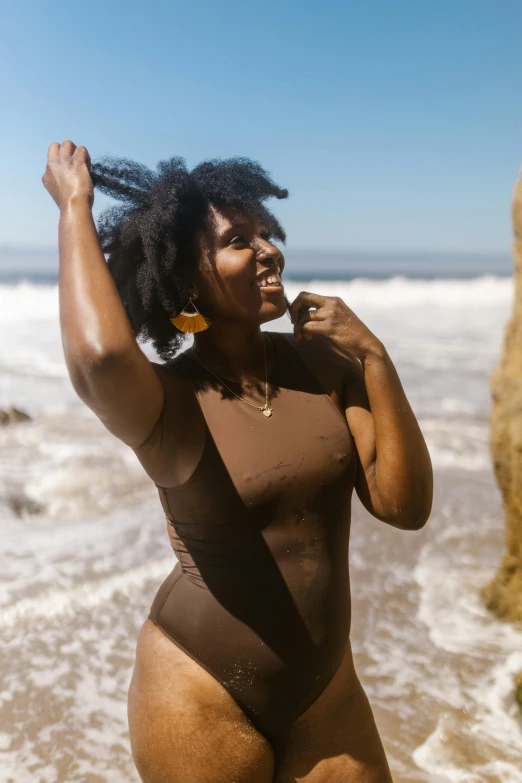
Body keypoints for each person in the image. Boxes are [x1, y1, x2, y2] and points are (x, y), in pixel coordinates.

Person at [42, 140, 433, 783]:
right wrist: (74, 206)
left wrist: (375, 358)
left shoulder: (327, 367)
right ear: (187, 281)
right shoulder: (168, 403)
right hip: (199, 692)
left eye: (267, 235)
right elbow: (101, 358)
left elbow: (405, 506)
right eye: (238, 241)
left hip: (327, 694)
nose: (268, 250)